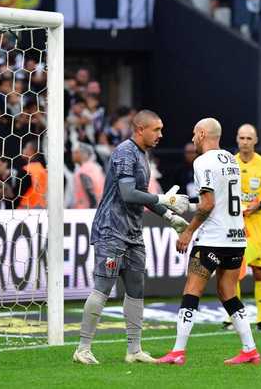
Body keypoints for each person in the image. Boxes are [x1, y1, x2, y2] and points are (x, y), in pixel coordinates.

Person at [73, 110, 190, 365]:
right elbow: (128, 193)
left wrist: (169, 217)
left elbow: (143, 194)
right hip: (111, 231)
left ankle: (134, 350)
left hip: (133, 232)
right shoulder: (125, 152)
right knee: (103, 287)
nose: (161, 134)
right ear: (140, 129)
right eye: (156, 129)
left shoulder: (141, 154)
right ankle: (82, 348)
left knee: (136, 288)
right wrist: (163, 199)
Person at [157, 118, 260, 366]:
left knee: (192, 291)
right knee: (227, 292)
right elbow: (220, 199)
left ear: (202, 134)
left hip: (212, 239)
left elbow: (209, 204)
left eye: (194, 134)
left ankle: (177, 352)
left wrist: (188, 231)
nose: (193, 138)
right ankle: (250, 350)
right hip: (236, 238)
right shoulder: (230, 159)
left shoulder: (202, 161)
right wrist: (188, 202)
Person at [222, 124, 261, 332]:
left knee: (259, 270)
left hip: (256, 224)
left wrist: (259, 204)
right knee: (233, 270)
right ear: (236, 139)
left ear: (255, 141)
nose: (245, 142)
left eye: (249, 138)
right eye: (242, 138)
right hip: (235, 223)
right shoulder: (230, 163)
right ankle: (234, 316)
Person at [71, 142, 105, 209]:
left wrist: (91, 212)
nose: (73, 155)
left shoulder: (84, 171)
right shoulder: (96, 168)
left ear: (84, 155)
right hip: (98, 208)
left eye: (76, 152)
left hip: (86, 212)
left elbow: (91, 194)